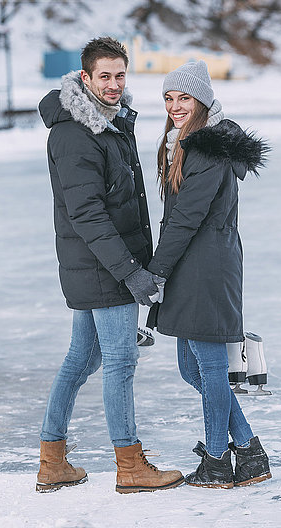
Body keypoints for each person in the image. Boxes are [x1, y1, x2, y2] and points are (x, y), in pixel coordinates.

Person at [37, 36, 183, 494]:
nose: (115, 84)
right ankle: (130, 464)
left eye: (121, 75)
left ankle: (52, 460)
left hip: (99, 263)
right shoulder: (75, 133)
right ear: (86, 78)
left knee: (83, 357)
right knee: (119, 361)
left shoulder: (108, 123)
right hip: (103, 266)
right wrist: (131, 272)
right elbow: (88, 214)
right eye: (105, 76)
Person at [146, 61, 272, 489]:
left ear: (202, 101)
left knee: (210, 369)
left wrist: (155, 272)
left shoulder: (208, 147)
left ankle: (218, 458)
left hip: (206, 266)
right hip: (192, 264)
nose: (176, 106)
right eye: (169, 98)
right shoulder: (183, 142)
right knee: (191, 368)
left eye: (185, 98)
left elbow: (186, 218)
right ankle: (249, 451)